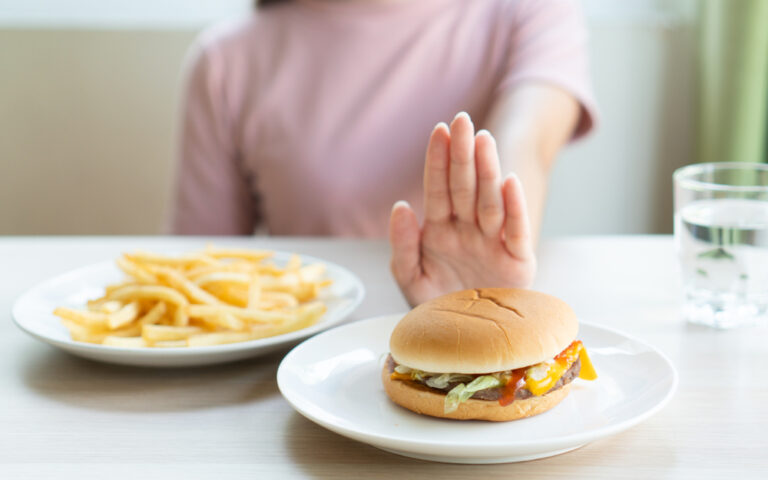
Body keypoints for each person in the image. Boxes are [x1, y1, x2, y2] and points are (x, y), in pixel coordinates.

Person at [171, 0, 596, 306]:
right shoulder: (225, 59)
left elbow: (525, 142)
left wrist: (487, 265)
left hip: (471, 321)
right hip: (298, 360)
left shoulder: (530, 11)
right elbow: (201, 271)